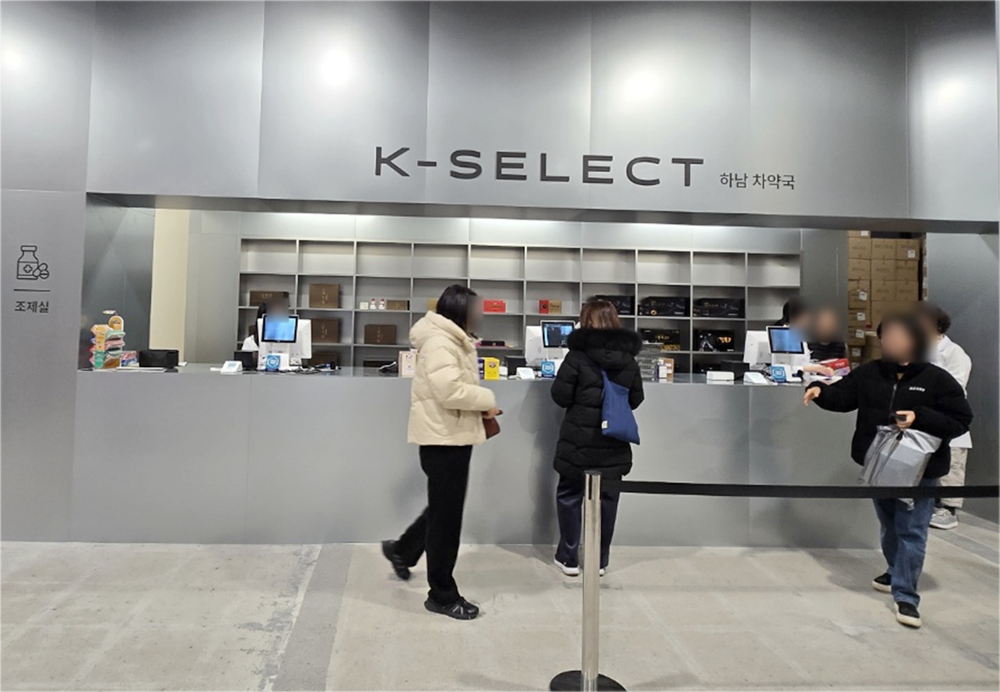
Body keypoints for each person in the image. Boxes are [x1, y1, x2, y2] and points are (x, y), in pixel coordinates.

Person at [803, 313, 972, 629]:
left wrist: (919, 417)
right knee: (890, 524)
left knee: (912, 530)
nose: (891, 341)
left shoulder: (937, 379)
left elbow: (960, 420)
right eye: (887, 336)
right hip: (879, 464)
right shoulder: (870, 373)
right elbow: (844, 396)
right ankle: (895, 570)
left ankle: (906, 596)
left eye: (899, 335)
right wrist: (819, 391)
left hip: (920, 470)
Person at [381, 285, 500, 621]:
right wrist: (487, 400)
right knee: (447, 521)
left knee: (443, 510)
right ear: (461, 311)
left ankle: (402, 550)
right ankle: (442, 595)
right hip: (444, 440)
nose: (481, 315)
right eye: (476, 310)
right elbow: (449, 391)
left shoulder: (451, 339)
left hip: (450, 437)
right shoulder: (441, 342)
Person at [550, 300, 644, 577]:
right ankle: (599, 560)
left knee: (570, 495)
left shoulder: (577, 356)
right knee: (608, 500)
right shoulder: (628, 359)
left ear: (585, 321)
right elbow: (636, 399)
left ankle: (568, 558)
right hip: (613, 443)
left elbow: (560, 396)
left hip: (578, 441)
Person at [916, 303, 973, 530]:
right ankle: (928, 506)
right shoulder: (918, 350)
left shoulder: (955, 353)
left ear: (937, 325)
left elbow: (956, 387)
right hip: (924, 420)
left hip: (948, 418)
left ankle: (949, 509)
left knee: (952, 466)